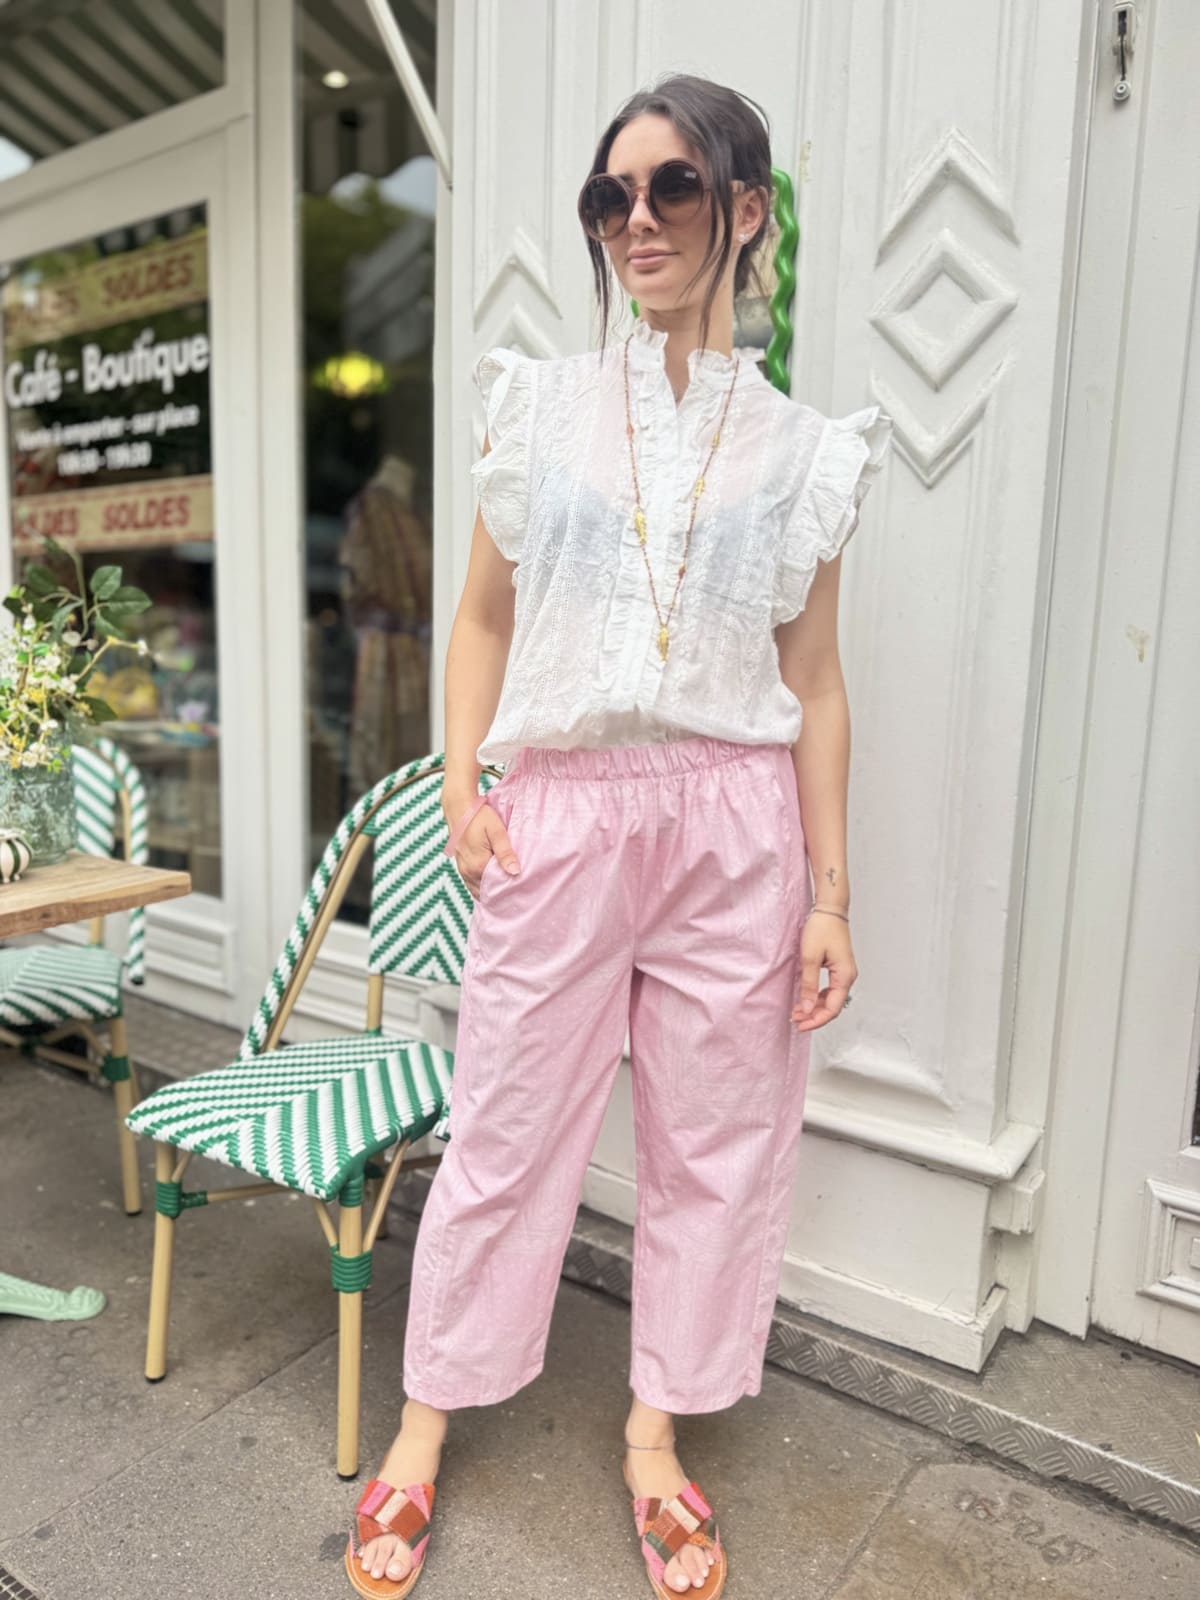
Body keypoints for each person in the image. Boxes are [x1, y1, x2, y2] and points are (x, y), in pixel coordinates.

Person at [346, 71, 893, 1600]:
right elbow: (480, 618)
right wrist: (464, 780)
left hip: (737, 822)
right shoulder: (542, 410)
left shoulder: (803, 452)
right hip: (569, 817)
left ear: (744, 210)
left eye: (668, 189)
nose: (634, 220)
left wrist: (830, 895)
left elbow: (818, 681)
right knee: (508, 1130)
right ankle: (422, 1429)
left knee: (717, 1146)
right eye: (610, 197)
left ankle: (658, 1435)